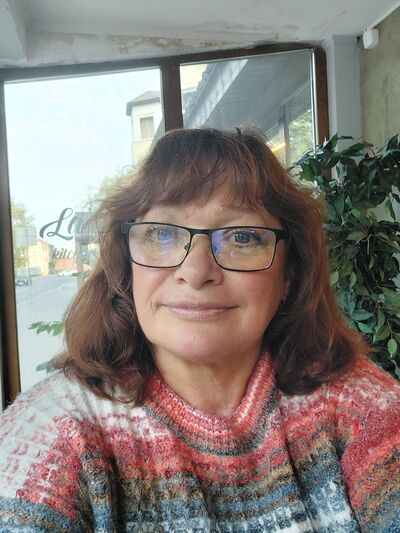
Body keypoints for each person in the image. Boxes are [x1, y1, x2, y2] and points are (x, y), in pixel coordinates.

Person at [0, 128, 399, 533]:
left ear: (289, 276)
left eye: (242, 237)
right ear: (127, 268)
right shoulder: (52, 432)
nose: (195, 272)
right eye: (161, 233)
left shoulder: (357, 404)